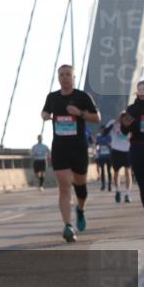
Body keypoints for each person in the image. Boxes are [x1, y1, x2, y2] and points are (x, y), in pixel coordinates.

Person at [41, 65, 100, 243]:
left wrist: (80, 113)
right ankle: (68, 226)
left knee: (80, 187)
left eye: (68, 75)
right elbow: (45, 111)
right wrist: (44, 115)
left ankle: (80, 210)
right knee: (64, 186)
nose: (65, 78)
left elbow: (97, 118)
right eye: (62, 75)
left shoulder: (82, 97)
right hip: (59, 147)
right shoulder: (52, 97)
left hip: (78, 147)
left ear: (74, 77)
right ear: (58, 78)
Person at [118, 80, 144, 236]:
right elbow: (123, 131)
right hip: (137, 148)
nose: (142, 91)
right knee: (142, 185)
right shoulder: (132, 109)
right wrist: (125, 125)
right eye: (139, 89)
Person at [108, 117, 133, 202]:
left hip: (127, 151)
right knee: (116, 173)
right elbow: (104, 132)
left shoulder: (130, 122)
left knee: (128, 172)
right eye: (121, 117)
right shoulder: (113, 122)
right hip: (116, 151)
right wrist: (114, 122)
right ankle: (117, 191)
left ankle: (128, 194)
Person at [94, 125, 114, 194]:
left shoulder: (109, 137)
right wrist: (97, 147)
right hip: (101, 156)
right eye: (101, 130)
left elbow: (112, 145)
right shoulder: (99, 137)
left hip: (109, 156)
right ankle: (103, 185)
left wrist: (109, 145)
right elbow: (96, 145)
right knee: (102, 171)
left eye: (103, 129)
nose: (102, 131)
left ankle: (109, 185)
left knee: (109, 171)